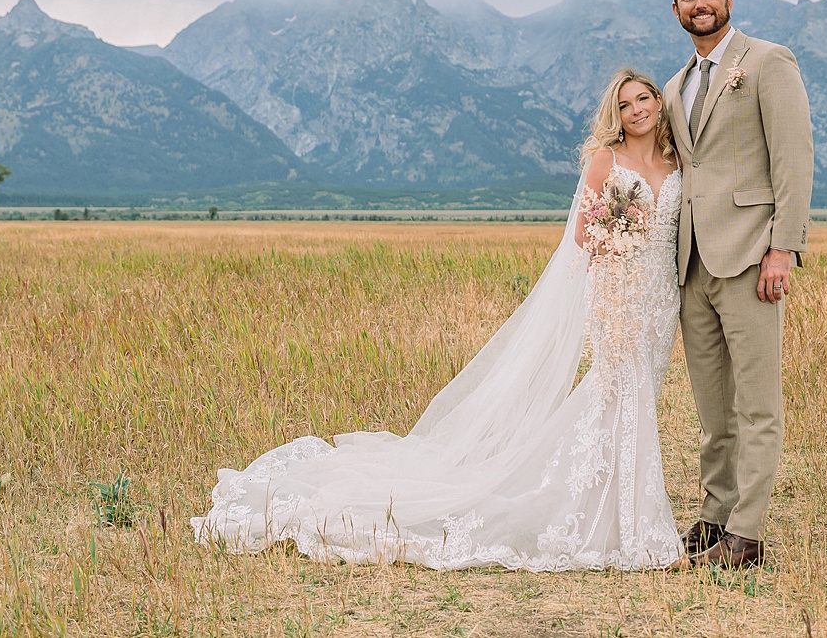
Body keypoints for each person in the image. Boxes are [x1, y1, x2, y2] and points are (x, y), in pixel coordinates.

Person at [192, 69, 687, 571]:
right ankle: (633, 522)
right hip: (619, 299)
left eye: (644, 97)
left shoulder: (675, 161)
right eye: (625, 105)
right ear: (616, 116)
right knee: (623, 389)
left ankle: (615, 503)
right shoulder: (607, 160)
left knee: (640, 392)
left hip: (660, 298)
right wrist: (623, 235)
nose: (637, 109)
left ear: (659, 101)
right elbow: (583, 236)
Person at [664, 0, 813, 569]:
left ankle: (747, 535)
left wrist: (784, 247)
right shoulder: (675, 87)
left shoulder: (767, 63)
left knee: (756, 404)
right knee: (711, 408)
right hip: (692, 266)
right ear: (675, 11)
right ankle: (713, 517)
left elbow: (794, 159)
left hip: (752, 258)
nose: (700, 3)